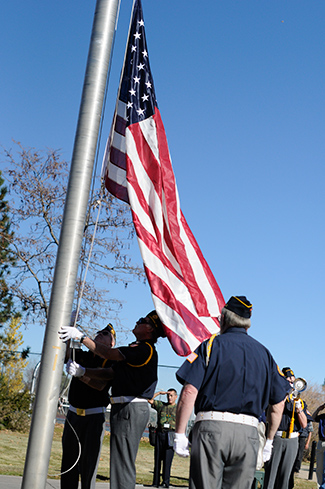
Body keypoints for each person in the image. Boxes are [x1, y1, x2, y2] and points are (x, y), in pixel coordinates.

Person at [173, 295, 290, 489]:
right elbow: (278, 404)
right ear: (248, 323)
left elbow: (189, 392)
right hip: (248, 432)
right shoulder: (265, 354)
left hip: (212, 428)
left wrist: (179, 433)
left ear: (223, 318)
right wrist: (269, 440)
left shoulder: (210, 346)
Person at [59, 310, 165, 489]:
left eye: (141, 320)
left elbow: (108, 359)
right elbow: (111, 373)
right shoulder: (136, 347)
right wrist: (84, 371)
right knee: (116, 463)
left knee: (118, 464)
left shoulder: (144, 349)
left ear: (149, 329)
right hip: (119, 407)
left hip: (128, 407)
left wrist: (82, 337)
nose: (137, 322)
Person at [61, 323, 116, 489]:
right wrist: (68, 330)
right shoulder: (83, 355)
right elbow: (65, 354)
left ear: (112, 343)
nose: (99, 334)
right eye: (98, 332)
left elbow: (100, 385)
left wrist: (81, 374)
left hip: (93, 417)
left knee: (88, 465)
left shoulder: (110, 361)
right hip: (73, 415)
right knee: (69, 462)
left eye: (105, 333)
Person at [264, 367, 310, 489]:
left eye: (292, 381)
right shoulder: (275, 398)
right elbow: (269, 417)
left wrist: (299, 409)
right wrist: (282, 397)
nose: (291, 383)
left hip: (292, 440)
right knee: (271, 473)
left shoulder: (299, 401)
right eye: (288, 380)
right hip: (277, 438)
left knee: (286, 475)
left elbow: (305, 424)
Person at [148, 389, 178, 488]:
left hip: (171, 435)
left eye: (172, 395)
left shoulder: (178, 408)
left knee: (167, 460)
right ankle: (155, 482)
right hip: (160, 434)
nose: (170, 398)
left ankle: (165, 482)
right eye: (168, 396)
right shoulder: (161, 406)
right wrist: (159, 393)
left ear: (176, 397)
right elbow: (150, 400)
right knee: (157, 459)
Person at [312, 402, 325, 489]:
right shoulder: (322, 416)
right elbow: (312, 418)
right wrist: (318, 409)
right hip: (321, 442)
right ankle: (320, 486)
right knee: (319, 468)